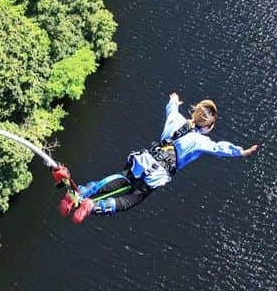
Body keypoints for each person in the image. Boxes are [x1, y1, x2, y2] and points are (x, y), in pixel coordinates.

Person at [60, 93, 259, 223]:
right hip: (157, 175)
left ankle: (83, 191)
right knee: (131, 198)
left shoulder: (176, 120)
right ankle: (94, 206)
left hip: (143, 160)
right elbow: (219, 148)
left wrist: (174, 100)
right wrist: (240, 151)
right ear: (208, 126)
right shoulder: (200, 141)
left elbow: (171, 108)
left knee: (121, 178)